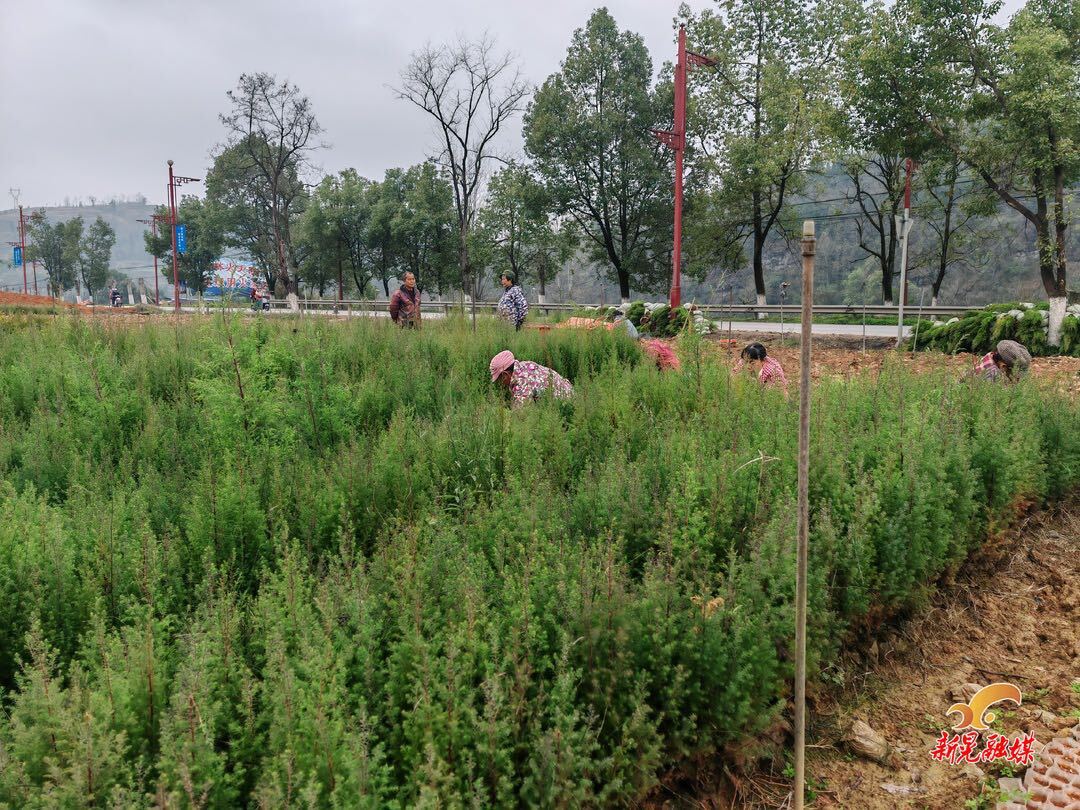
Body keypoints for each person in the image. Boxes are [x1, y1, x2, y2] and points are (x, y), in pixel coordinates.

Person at [489, 350, 573, 407]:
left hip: (565, 407)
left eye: (499, 379)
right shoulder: (525, 365)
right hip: (569, 393)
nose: (500, 383)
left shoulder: (522, 384)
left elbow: (521, 417)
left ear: (505, 375)